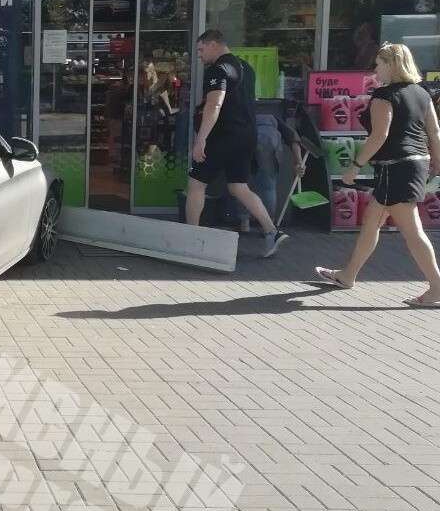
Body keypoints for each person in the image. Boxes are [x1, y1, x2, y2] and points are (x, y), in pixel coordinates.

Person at [315, 42, 440, 305]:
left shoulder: (383, 97)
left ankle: (437, 286)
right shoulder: (422, 93)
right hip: (415, 163)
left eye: (379, 64)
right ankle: (348, 274)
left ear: (392, 65)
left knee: (411, 229)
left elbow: (379, 136)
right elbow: (435, 132)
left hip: (395, 167)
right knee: (373, 220)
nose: (375, 69)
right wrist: (436, 162)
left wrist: (355, 166)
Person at [184, 29, 289, 257]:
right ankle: (272, 231)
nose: (199, 56)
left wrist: (200, 139)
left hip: (224, 136)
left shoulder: (219, 69)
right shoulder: (246, 68)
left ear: (214, 45)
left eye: (201, 50)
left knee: (196, 184)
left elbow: (215, 104)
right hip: (247, 136)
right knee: (238, 186)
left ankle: (191, 239)